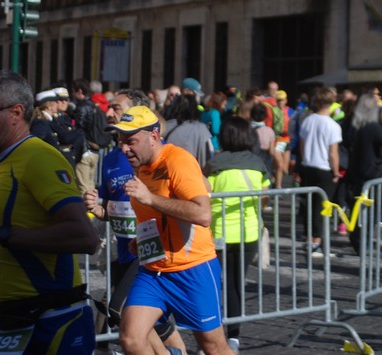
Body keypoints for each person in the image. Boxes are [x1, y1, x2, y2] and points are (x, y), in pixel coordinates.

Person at [0, 70, 99, 354]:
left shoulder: (38, 156)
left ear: (15, 112)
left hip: (51, 318)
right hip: (8, 321)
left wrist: (0, 234)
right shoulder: (1, 162)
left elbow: (85, 237)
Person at [107, 105, 234, 354]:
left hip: (193, 269)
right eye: (121, 141)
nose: (124, 148)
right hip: (154, 270)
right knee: (131, 338)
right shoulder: (141, 167)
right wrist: (142, 239)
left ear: (154, 136)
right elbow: (155, 215)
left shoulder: (179, 161)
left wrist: (151, 199)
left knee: (213, 347)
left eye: (131, 141)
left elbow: (203, 214)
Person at [84, 89, 186, 354]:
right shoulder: (110, 158)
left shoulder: (151, 156)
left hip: (150, 248)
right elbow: (110, 209)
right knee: (154, 320)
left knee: (120, 311)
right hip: (124, 248)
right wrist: (97, 208)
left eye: (117, 108)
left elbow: (178, 199)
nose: (109, 112)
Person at [204, 117, 271, 353]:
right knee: (236, 285)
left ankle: (211, 335)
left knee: (214, 286)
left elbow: (205, 193)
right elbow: (265, 197)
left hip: (219, 234)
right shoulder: (258, 164)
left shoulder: (215, 164)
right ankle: (234, 337)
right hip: (248, 233)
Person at [345, 93, 382, 253]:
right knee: (370, 211)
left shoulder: (354, 124)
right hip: (371, 173)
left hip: (357, 171)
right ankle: (360, 241)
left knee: (358, 209)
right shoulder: (372, 126)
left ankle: (358, 239)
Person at [299, 87, 342, 257]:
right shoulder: (333, 125)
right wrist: (336, 171)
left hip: (308, 165)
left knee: (309, 206)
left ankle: (311, 240)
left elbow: (301, 145)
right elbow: (333, 153)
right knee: (322, 208)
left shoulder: (308, 120)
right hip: (324, 168)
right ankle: (317, 243)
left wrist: (305, 160)